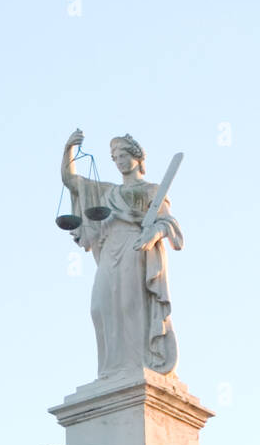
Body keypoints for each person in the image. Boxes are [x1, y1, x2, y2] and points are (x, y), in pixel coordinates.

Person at [60, 130, 183, 379]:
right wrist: (69, 151)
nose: (119, 161)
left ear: (137, 157)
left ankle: (139, 364)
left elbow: (168, 223)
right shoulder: (107, 192)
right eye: (115, 157)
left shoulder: (152, 190)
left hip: (134, 248)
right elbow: (72, 182)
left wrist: (153, 235)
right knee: (99, 307)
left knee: (131, 305)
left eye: (123, 154)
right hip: (109, 251)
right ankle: (111, 369)